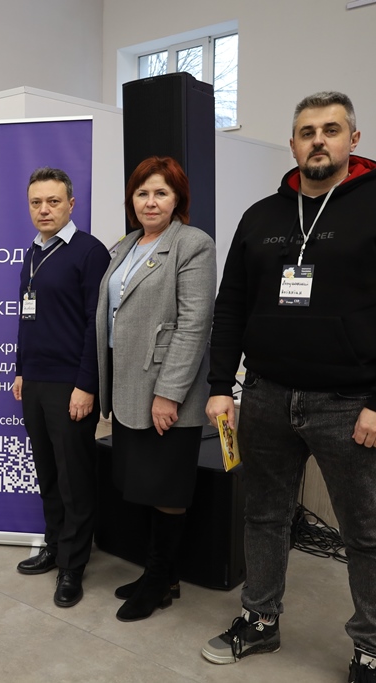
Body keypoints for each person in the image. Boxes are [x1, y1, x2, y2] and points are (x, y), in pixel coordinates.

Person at [201, 92, 376, 683]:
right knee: (264, 517)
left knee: (365, 533)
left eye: (331, 129)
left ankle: (371, 651)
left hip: (349, 405)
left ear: (353, 139)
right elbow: (230, 306)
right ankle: (260, 620)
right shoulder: (261, 217)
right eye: (307, 131)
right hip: (265, 395)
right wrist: (220, 384)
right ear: (292, 144)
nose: (318, 140)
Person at [95, 156, 215, 622]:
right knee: (145, 485)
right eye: (142, 193)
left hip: (165, 391)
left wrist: (169, 393)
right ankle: (161, 575)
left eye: (161, 193)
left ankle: (160, 582)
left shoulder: (192, 244)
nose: (150, 201)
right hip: (127, 387)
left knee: (166, 489)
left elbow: (193, 324)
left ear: (177, 198)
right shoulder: (124, 245)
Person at [12, 167, 110, 608]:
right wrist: (20, 369)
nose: (44, 210)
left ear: (71, 204)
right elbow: (26, 317)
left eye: (53, 201)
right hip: (35, 380)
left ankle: (73, 565)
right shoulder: (33, 251)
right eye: (36, 202)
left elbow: (96, 324)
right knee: (48, 472)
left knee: (74, 478)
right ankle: (54, 545)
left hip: (71, 384)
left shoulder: (89, 252)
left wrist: (86, 384)